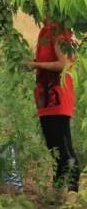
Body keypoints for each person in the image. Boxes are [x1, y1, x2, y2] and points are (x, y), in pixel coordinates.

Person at [29, 19, 80, 193]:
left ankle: (72, 191)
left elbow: (63, 64)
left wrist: (35, 65)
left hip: (57, 95)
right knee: (55, 146)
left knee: (61, 145)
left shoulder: (58, 31)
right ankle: (58, 190)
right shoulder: (45, 31)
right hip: (47, 95)